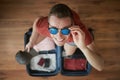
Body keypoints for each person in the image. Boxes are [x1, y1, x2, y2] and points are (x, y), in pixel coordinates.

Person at [25, 4, 104, 71]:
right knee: (36, 42)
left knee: (69, 53)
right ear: (48, 25)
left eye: (65, 30)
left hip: (72, 39)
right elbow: (37, 21)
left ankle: (66, 53)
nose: (59, 37)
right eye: (53, 30)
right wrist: (31, 41)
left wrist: (83, 47)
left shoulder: (81, 34)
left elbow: (100, 66)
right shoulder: (43, 26)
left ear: (73, 26)